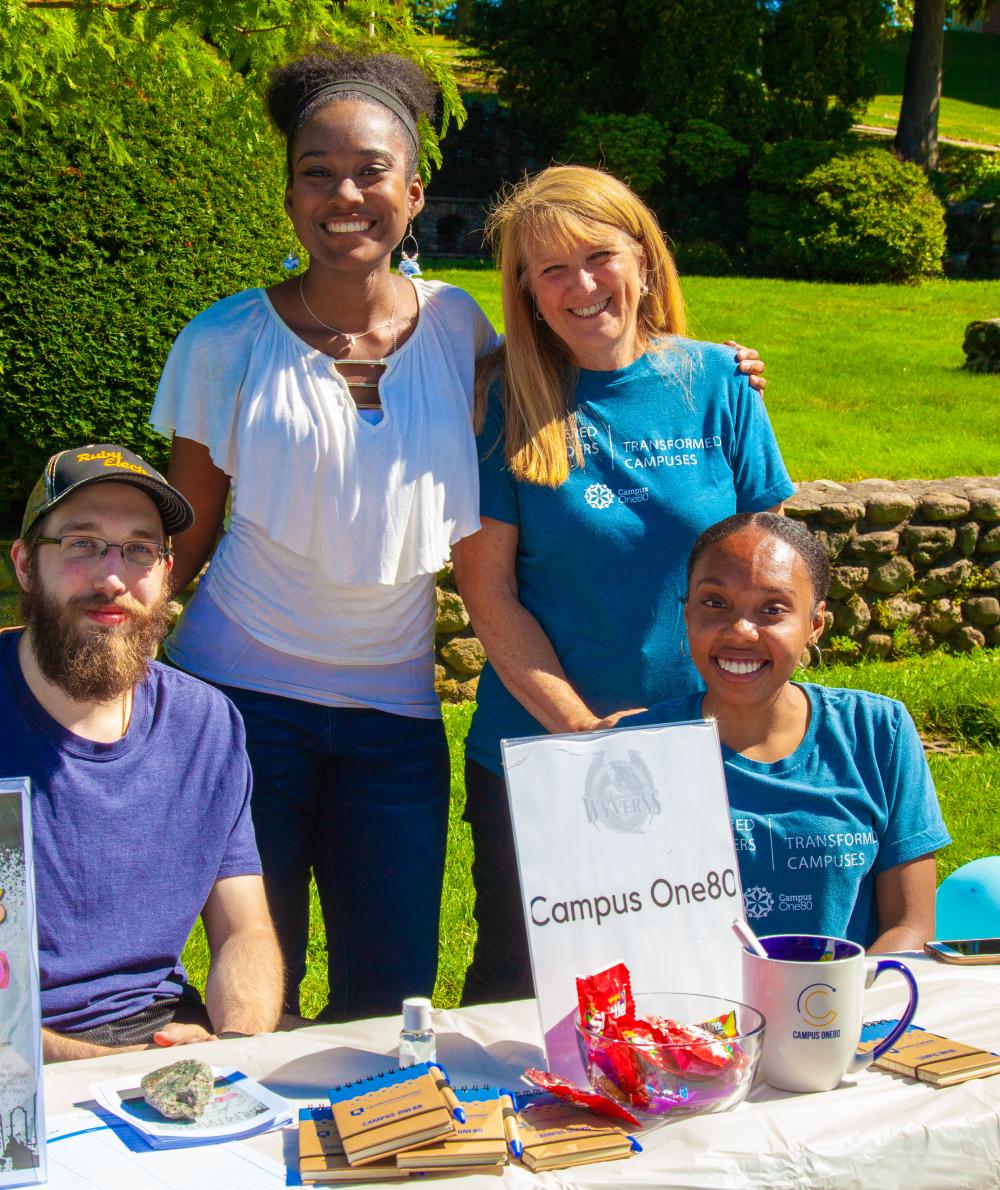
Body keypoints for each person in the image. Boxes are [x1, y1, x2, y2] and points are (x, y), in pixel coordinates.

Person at [149, 49, 502, 1022]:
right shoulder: (224, 341)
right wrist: (64, 670)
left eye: (370, 170)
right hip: (239, 709)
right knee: (253, 999)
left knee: (389, 1000)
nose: (343, 193)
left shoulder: (462, 328)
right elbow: (183, 540)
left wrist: (701, 363)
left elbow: (588, 373)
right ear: (289, 191)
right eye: (316, 171)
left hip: (396, 721)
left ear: (416, 190)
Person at [452, 165, 795, 1004]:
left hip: (701, 748)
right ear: (526, 290)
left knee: (694, 985)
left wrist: (756, 715)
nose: (580, 285)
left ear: (643, 260)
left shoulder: (717, 382)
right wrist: (584, 737)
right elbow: (489, 594)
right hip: (541, 753)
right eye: (550, 269)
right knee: (526, 998)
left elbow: (768, 569)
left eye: (598, 256)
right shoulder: (502, 399)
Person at [2, 444, 284, 1061]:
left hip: (158, 1037)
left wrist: (232, 1050)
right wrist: (115, 1071)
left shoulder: (205, 725)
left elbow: (244, 929)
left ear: (166, 570)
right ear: (25, 564)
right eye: (81, 543)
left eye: (138, 550)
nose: (112, 578)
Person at [621, 512, 950, 951]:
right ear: (686, 613)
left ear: (815, 624)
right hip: (690, 1017)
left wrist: (835, 1005)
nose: (740, 630)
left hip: (844, 1012)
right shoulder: (631, 752)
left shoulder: (877, 733)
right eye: (714, 603)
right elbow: (605, 930)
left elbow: (910, 926)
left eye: (772, 609)